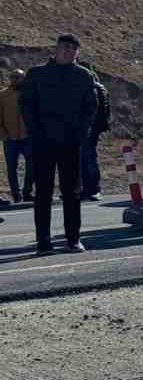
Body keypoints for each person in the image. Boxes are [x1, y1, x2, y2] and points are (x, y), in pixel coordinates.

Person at [19, 34, 99, 254]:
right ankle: (43, 242)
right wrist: (35, 132)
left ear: (77, 53)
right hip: (43, 141)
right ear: (56, 49)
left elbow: (90, 107)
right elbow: (26, 104)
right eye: (64, 47)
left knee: (72, 193)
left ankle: (73, 239)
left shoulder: (84, 76)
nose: (67, 51)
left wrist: (81, 133)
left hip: (70, 142)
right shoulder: (37, 74)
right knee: (43, 192)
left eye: (72, 49)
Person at [79, 61, 110, 201]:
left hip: (89, 128)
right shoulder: (95, 87)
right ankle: (87, 189)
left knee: (88, 158)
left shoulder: (93, 87)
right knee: (84, 158)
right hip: (88, 128)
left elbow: (98, 110)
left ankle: (92, 189)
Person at [1, 68, 31, 205]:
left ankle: (27, 192)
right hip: (10, 139)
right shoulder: (2, 95)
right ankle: (16, 194)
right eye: (12, 77)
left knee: (32, 165)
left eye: (17, 77)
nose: (14, 79)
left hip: (27, 138)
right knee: (12, 168)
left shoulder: (30, 93)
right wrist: (4, 135)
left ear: (23, 78)